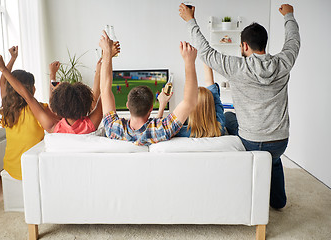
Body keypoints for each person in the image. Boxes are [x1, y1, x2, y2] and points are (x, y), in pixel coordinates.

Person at [179, 3, 300, 209]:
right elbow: (293, 40)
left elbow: (206, 53)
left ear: (244, 46)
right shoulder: (284, 63)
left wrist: (190, 20)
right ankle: (278, 202)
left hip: (251, 141)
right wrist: (289, 15)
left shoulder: (237, 67)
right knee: (274, 160)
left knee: (228, 117)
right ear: (264, 44)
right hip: (280, 142)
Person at [0, 43, 120, 134]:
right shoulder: (90, 125)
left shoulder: (53, 127)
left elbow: (26, 95)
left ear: (57, 107)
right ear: (87, 104)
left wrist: (4, 68)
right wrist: (106, 58)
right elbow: (104, 90)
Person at [99, 30, 198, 146]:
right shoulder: (161, 130)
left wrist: (106, 52)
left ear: (127, 105)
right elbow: (189, 102)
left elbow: (105, 90)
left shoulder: (113, 129)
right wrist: (189, 61)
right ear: (151, 108)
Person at [0, 46, 53, 180]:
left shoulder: (7, 108)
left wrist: (12, 59)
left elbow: (2, 82)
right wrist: (52, 75)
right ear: (30, 89)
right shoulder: (39, 109)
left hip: (11, 167)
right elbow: (53, 105)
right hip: (32, 169)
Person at [158, 63, 225, 137]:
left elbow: (159, 131)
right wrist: (205, 55)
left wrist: (162, 104)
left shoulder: (184, 132)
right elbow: (210, 83)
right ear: (212, 105)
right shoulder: (220, 127)